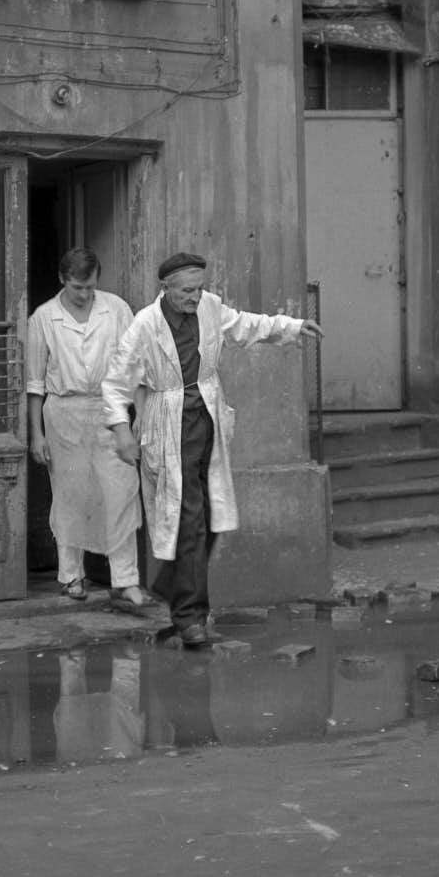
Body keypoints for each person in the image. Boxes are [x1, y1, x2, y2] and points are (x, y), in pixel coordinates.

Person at [101, 252, 323, 647]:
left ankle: (170, 584)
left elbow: (244, 325)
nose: (194, 296)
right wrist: (121, 432)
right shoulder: (145, 325)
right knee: (190, 521)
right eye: (187, 290)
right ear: (165, 288)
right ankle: (191, 619)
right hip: (169, 425)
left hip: (206, 418)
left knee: (213, 518)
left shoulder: (209, 307)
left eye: (199, 288)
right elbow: (116, 383)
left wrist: (291, 326)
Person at [26, 248, 149, 615]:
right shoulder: (43, 317)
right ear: (63, 280)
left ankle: (125, 579)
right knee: (70, 494)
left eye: (90, 287)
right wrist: (37, 434)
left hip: (110, 408)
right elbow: (34, 382)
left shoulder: (116, 309)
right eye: (77, 287)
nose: (84, 294)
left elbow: (134, 365)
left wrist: (140, 413)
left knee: (121, 491)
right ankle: (71, 575)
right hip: (64, 412)